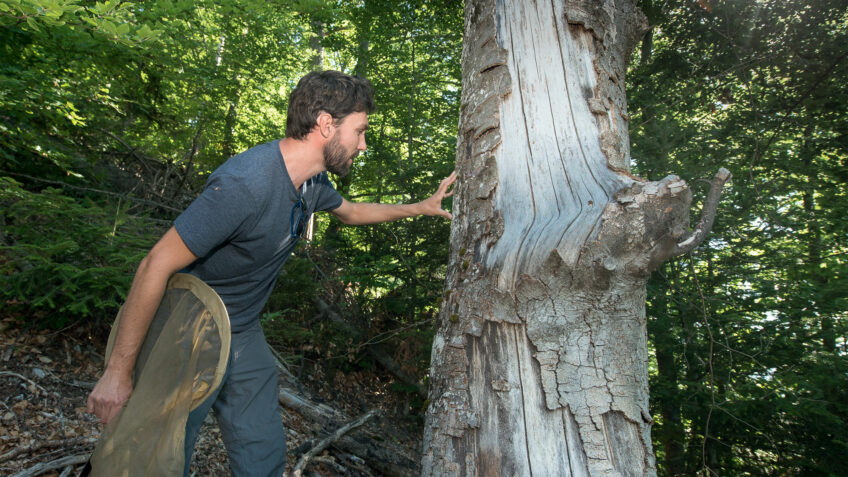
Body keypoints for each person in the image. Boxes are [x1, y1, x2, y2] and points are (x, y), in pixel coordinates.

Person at [86, 70, 457, 476]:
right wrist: (117, 372)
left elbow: (351, 212)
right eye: (360, 131)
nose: (363, 144)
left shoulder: (311, 183)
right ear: (326, 124)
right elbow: (154, 263)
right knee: (154, 454)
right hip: (188, 329)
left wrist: (420, 207)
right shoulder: (245, 184)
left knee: (261, 451)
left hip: (242, 330)